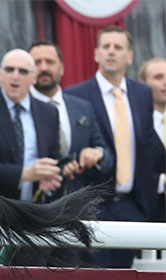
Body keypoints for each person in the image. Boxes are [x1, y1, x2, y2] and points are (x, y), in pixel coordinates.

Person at [65, 26, 158, 267]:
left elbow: (146, 145)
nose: (111, 52)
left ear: (130, 56)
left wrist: (144, 205)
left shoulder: (143, 94)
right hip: (93, 206)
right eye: (105, 46)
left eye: (118, 47)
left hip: (132, 207)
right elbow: (69, 144)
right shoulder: (76, 95)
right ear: (96, 54)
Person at [0, 49, 62, 202]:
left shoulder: (49, 112)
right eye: (9, 69)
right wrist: (27, 174)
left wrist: (51, 178)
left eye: (23, 71)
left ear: (33, 77)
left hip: (37, 209)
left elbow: (55, 158)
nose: (15, 76)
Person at [28, 40, 114, 195]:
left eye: (50, 62)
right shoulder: (19, 110)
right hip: (33, 204)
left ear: (62, 68)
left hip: (76, 205)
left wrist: (98, 155)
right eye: (37, 62)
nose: (44, 68)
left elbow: (107, 155)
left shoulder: (82, 107)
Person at [138, 57, 166, 221]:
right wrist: (161, 182)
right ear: (142, 83)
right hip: (149, 216)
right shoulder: (134, 122)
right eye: (158, 77)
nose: (165, 82)